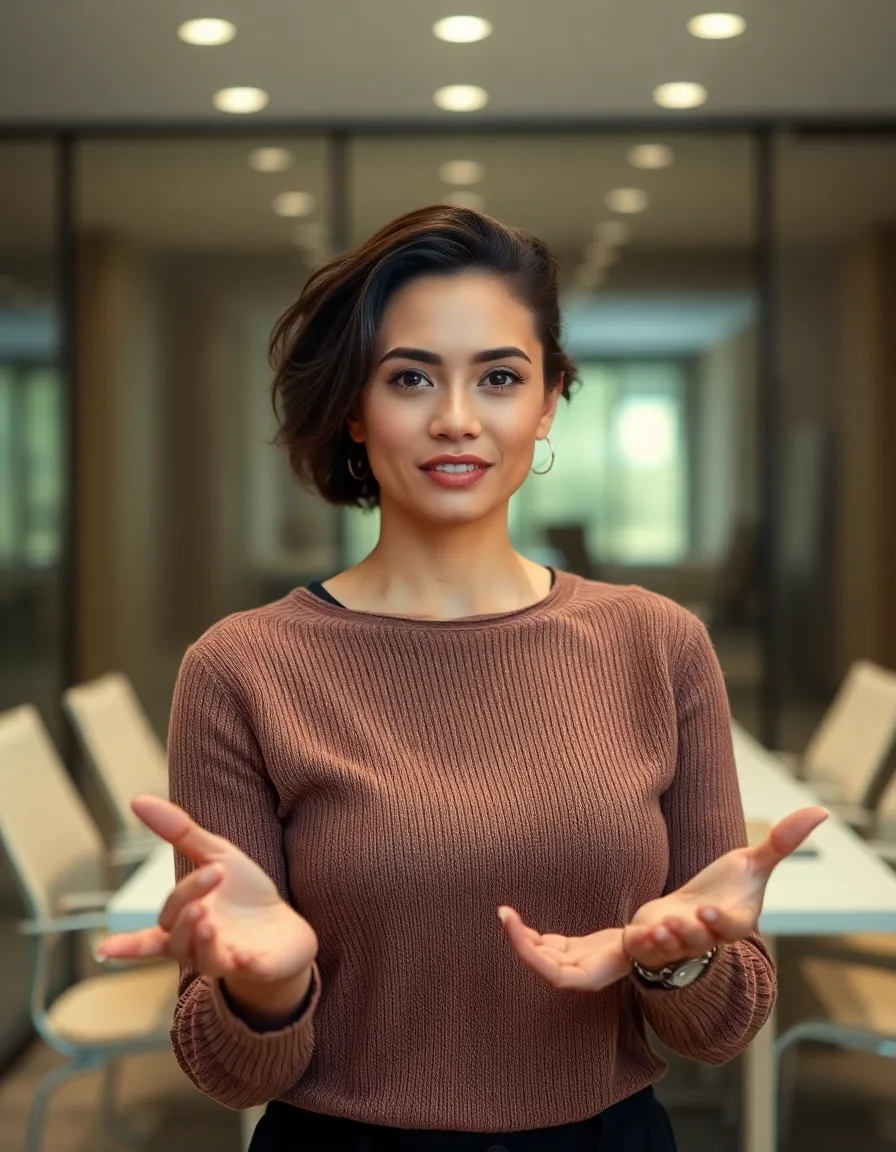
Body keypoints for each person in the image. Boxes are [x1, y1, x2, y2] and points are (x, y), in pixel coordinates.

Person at [99, 205, 826, 1152]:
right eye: (410, 377)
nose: (456, 419)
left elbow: (720, 1033)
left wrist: (680, 964)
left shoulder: (659, 645)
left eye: (499, 377)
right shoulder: (243, 667)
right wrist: (263, 990)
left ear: (549, 400)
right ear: (356, 406)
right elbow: (231, 1070)